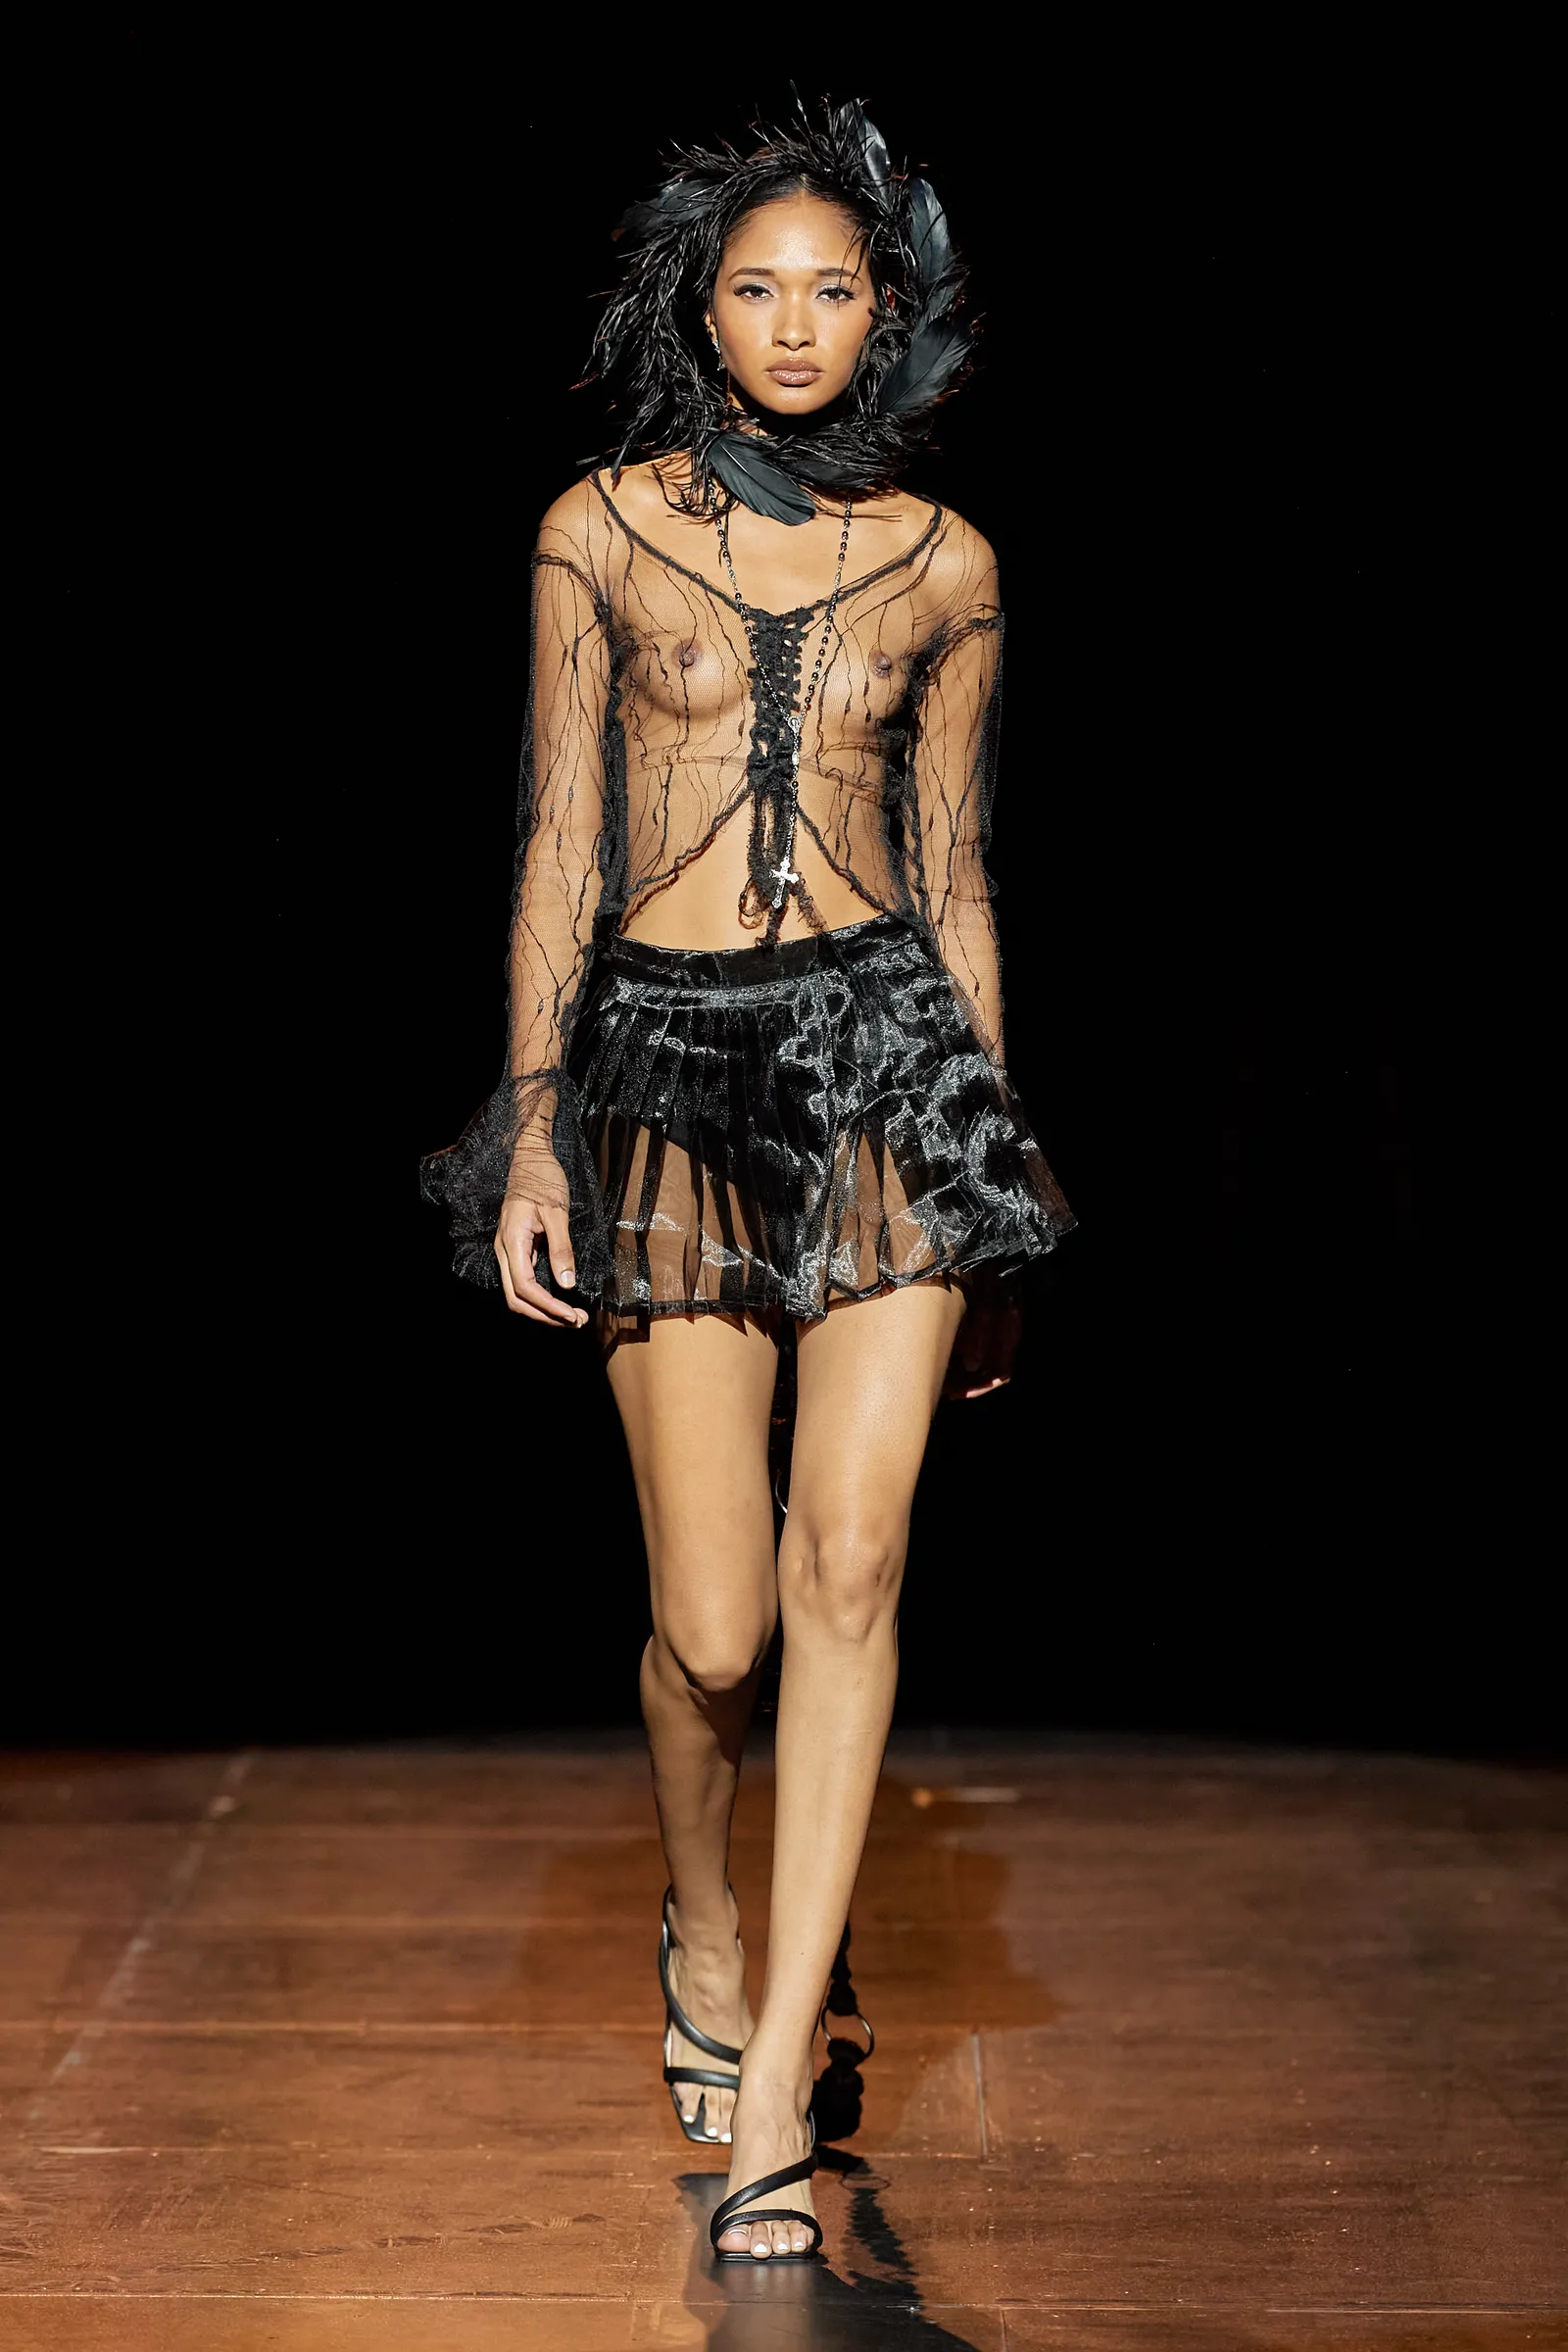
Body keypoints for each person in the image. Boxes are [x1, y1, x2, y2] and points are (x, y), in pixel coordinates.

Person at [421, 100, 1073, 2263]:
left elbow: (960, 879)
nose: (795, 324)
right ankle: (703, 1921)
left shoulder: (948, 563)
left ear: (887, 314)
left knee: (850, 1570)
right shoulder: (596, 530)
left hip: (889, 1063)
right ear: (699, 315)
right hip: (664, 1066)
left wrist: (990, 1175)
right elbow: (558, 840)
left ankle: (780, 2079)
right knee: (712, 1631)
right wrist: (532, 1118)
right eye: (755, 290)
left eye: (834, 290)